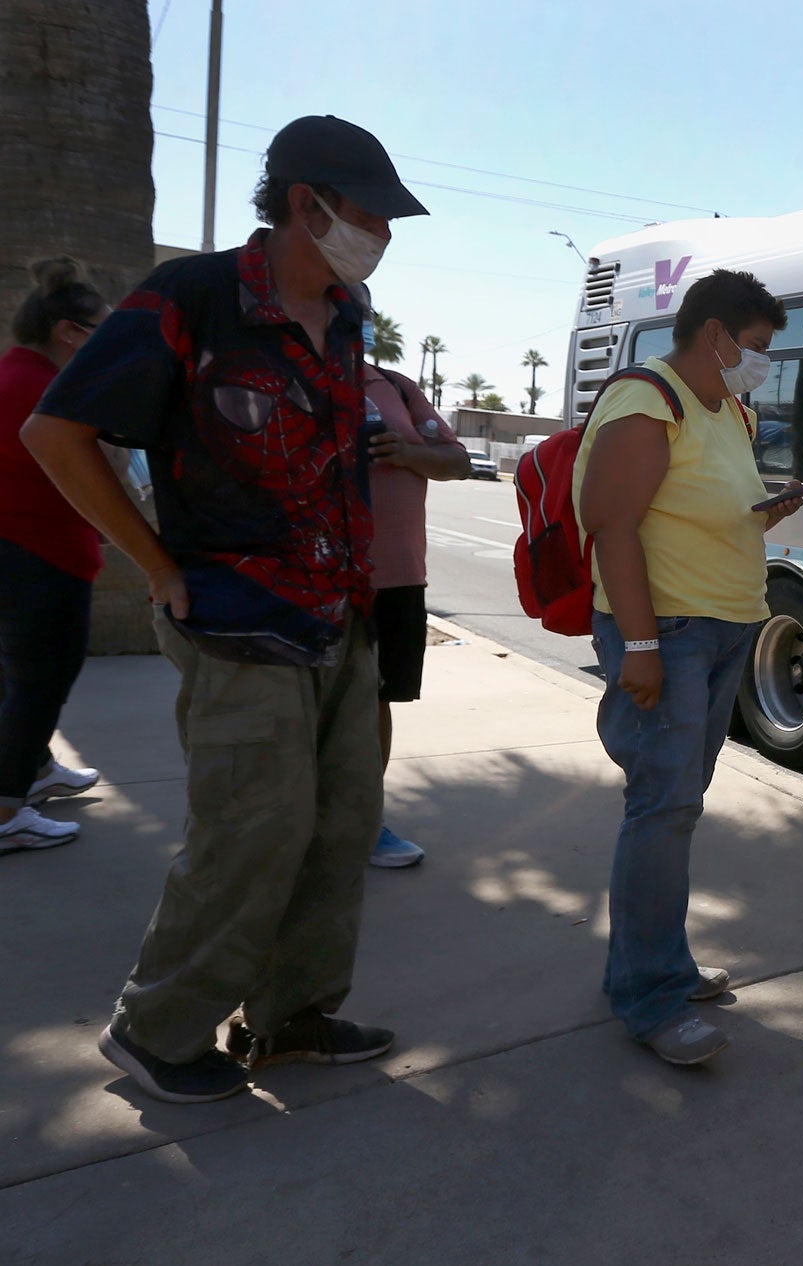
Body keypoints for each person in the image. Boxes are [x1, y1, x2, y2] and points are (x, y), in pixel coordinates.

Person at [22, 115, 429, 1104]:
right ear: (309, 202)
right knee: (250, 830)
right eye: (373, 213)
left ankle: (292, 1016)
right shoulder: (191, 298)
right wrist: (157, 564)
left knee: (338, 826)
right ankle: (155, 1028)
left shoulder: (346, 314)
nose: (385, 233)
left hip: (341, 617)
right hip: (239, 619)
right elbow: (57, 433)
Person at [574, 268, 803, 1067]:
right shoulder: (647, 399)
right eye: (759, 346)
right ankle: (647, 997)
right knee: (662, 808)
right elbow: (611, 526)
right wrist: (638, 645)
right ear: (716, 334)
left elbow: (697, 507)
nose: (762, 362)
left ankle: (658, 964)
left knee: (677, 806)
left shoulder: (727, 408)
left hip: (723, 627)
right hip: (668, 633)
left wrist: (765, 511)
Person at [0, 258, 114, 855]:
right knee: (41, 683)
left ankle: (36, 770)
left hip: (21, 552)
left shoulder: (14, 374)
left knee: (16, 678)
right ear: (71, 331)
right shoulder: (45, 388)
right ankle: (6, 809)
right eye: (106, 328)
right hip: (40, 556)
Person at [355, 285, 470, 867]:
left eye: (362, 308)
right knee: (310, 708)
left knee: (378, 701)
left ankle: (366, 824)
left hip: (398, 578)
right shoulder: (289, 381)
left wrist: (403, 450)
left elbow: (457, 462)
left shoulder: (396, 387)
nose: (355, 318)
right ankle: (306, 828)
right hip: (318, 579)